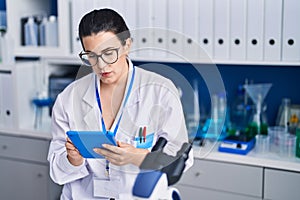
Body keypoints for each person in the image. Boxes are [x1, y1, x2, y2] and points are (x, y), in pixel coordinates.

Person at [47, 8, 193, 199]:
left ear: (127, 45)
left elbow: (182, 159)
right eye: (91, 56)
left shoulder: (160, 91)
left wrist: (139, 157)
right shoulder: (69, 98)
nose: (101, 65)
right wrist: (72, 160)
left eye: (108, 53)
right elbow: (56, 172)